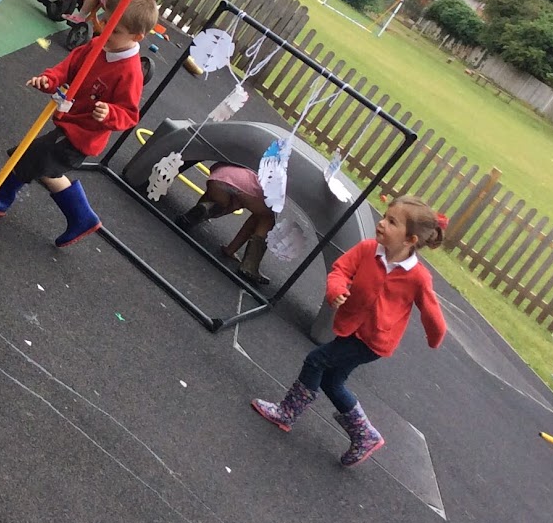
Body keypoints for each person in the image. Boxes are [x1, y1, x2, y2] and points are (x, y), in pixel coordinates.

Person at [250, 196, 448, 467]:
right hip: (351, 326)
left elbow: (431, 311)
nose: (382, 223)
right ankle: (364, 434)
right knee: (332, 381)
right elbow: (340, 270)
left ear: (410, 240)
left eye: (392, 222)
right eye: (385, 217)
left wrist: (435, 337)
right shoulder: (368, 250)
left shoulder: (418, 277)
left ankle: (287, 412)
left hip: (373, 340)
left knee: (316, 360)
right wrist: (337, 289)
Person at [0, 0, 158, 247]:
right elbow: (69, 67)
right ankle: (81, 217)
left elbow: (129, 114)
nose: (105, 29)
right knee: (40, 166)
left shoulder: (129, 72)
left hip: (82, 136)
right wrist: (50, 79)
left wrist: (110, 113)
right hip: (68, 122)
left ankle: (2, 199)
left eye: (115, 30)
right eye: (105, 20)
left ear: (137, 37)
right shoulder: (98, 44)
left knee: (28, 157)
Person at [176, 160, 277, 283]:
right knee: (266, 218)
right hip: (246, 185)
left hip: (220, 175)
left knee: (220, 203)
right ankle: (249, 265)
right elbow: (250, 226)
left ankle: (194, 215)